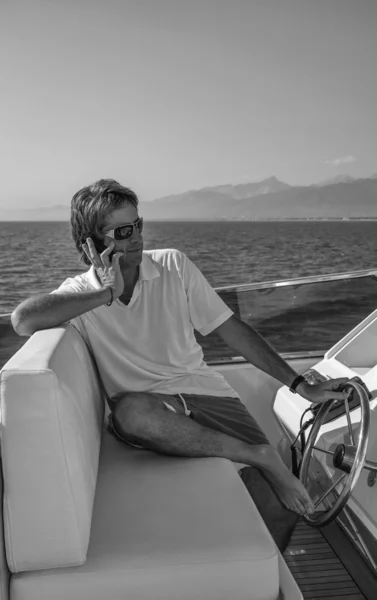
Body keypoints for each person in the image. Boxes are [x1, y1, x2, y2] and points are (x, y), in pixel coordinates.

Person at [11, 179, 350, 551]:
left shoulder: (173, 264)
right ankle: (255, 455)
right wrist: (106, 292)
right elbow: (23, 320)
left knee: (282, 504)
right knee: (130, 412)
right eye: (123, 231)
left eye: (138, 225)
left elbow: (232, 330)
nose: (137, 237)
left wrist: (300, 384)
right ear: (91, 245)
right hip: (153, 409)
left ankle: (263, 581)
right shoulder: (81, 295)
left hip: (209, 395)